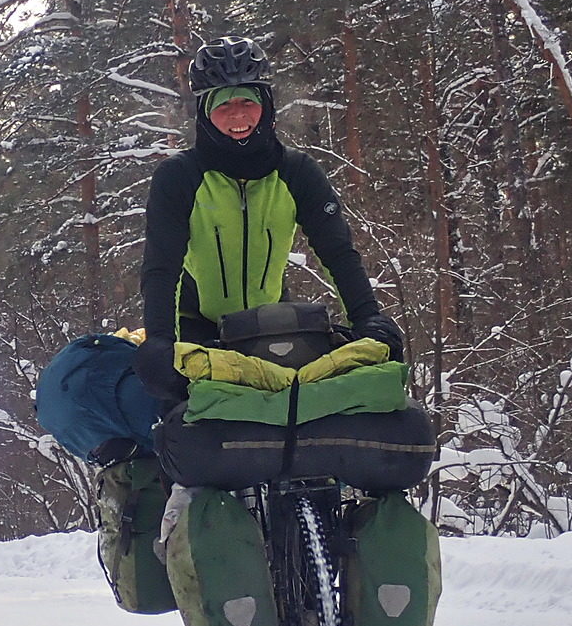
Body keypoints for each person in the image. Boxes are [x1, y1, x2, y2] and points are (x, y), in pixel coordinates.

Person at [135, 35, 403, 402]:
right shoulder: (179, 177)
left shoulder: (297, 172)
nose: (238, 115)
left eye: (248, 100)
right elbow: (161, 267)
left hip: (273, 330)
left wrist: (368, 318)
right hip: (197, 333)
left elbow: (338, 253)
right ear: (204, 113)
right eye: (223, 105)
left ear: (267, 105)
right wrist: (161, 341)